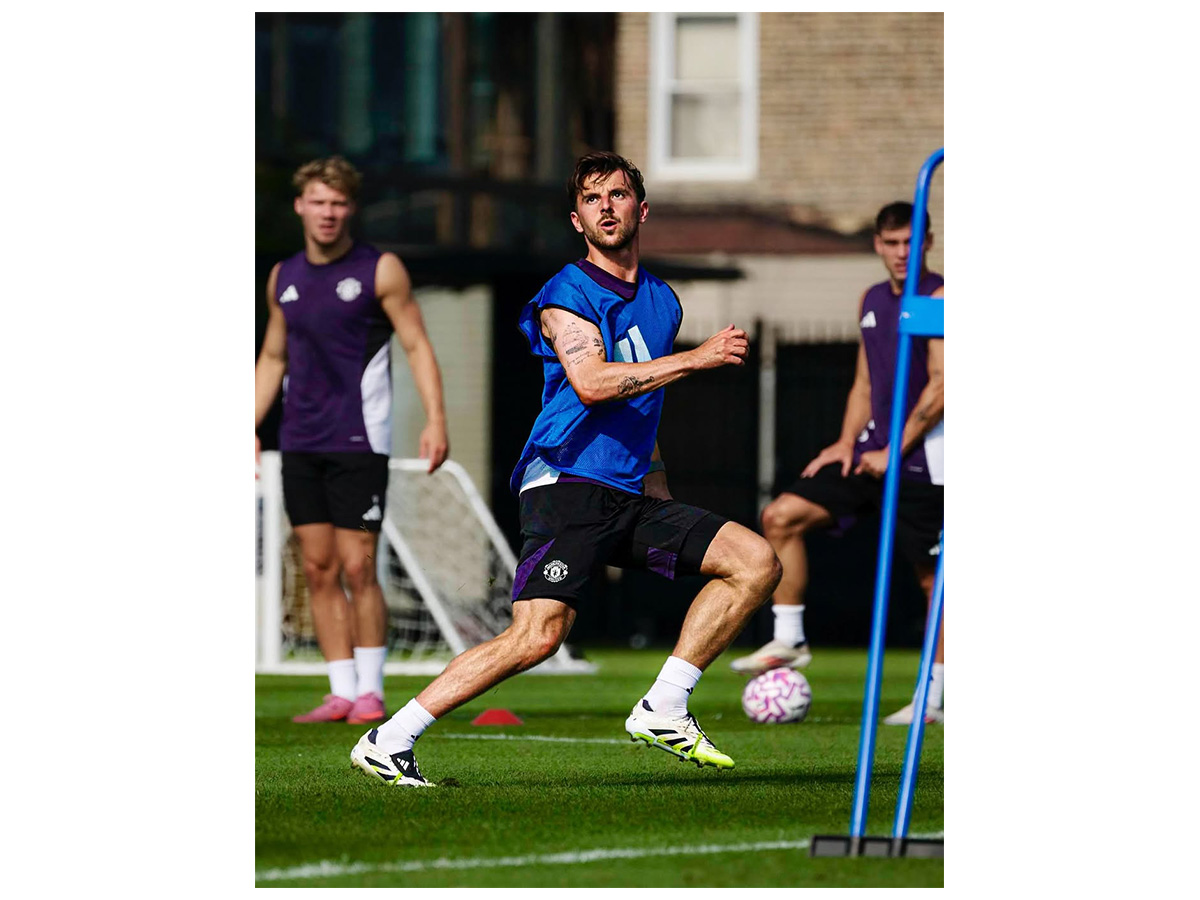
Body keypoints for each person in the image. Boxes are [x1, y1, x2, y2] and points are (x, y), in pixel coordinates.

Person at [349, 151, 781, 787]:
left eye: (617, 195)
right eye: (591, 199)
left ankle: (664, 705)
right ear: (577, 219)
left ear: (642, 208)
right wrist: (699, 359)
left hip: (630, 489)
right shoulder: (566, 293)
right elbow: (593, 383)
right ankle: (391, 738)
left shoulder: (662, 300)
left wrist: (657, 480)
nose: (606, 207)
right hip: (567, 483)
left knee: (756, 562)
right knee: (537, 636)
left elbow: (643, 403)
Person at [730, 201, 945, 726]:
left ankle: (936, 698)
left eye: (911, 242)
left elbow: (944, 383)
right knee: (781, 516)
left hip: (924, 460)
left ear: (928, 243)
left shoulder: (938, 297)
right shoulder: (871, 298)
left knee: (932, 579)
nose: (901, 253)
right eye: (891, 242)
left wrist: (895, 449)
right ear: (876, 244)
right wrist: (847, 442)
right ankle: (790, 637)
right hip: (869, 453)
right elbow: (865, 383)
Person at [255, 156, 450, 725]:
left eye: (338, 203)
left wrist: (436, 418)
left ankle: (371, 690)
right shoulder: (282, 276)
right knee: (316, 567)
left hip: (359, 441)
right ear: (300, 206)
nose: (328, 213)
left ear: (351, 209)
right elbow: (272, 356)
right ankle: (340, 689)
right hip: (299, 441)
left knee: (358, 566)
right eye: (318, 202)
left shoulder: (379, 269)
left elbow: (416, 344)